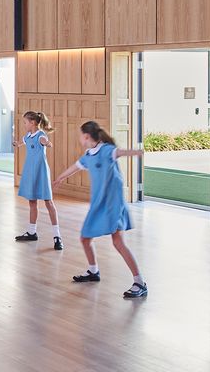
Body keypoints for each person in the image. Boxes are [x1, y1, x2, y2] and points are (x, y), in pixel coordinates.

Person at [53, 120, 148, 299]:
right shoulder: (89, 155)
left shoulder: (106, 150)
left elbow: (119, 152)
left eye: (81, 135)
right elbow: (75, 167)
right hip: (98, 204)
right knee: (85, 238)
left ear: (86, 136)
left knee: (118, 242)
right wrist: (60, 178)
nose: (80, 138)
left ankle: (140, 283)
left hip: (113, 204)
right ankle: (93, 271)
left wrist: (137, 152)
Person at [13, 110, 62, 250]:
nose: (24, 125)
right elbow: (22, 142)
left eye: (25, 122)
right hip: (30, 171)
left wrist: (47, 143)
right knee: (32, 202)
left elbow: (46, 142)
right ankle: (32, 232)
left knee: (48, 202)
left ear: (33, 123)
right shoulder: (28, 136)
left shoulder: (41, 136)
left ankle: (57, 236)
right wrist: (16, 144)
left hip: (41, 172)